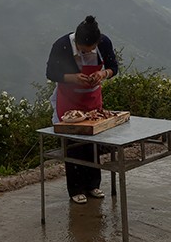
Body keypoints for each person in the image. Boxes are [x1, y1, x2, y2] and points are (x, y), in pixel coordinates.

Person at [45, 15, 119, 204]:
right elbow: (51, 72)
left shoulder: (104, 43)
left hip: (92, 101)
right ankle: (76, 189)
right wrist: (73, 78)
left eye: (92, 49)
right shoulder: (61, 46)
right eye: (84, 49)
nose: (88, 52)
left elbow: (113, 67)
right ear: (76, 41)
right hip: (70, 101)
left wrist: (102, 74)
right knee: (74, 145)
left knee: (93, 144)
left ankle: (93, 184)